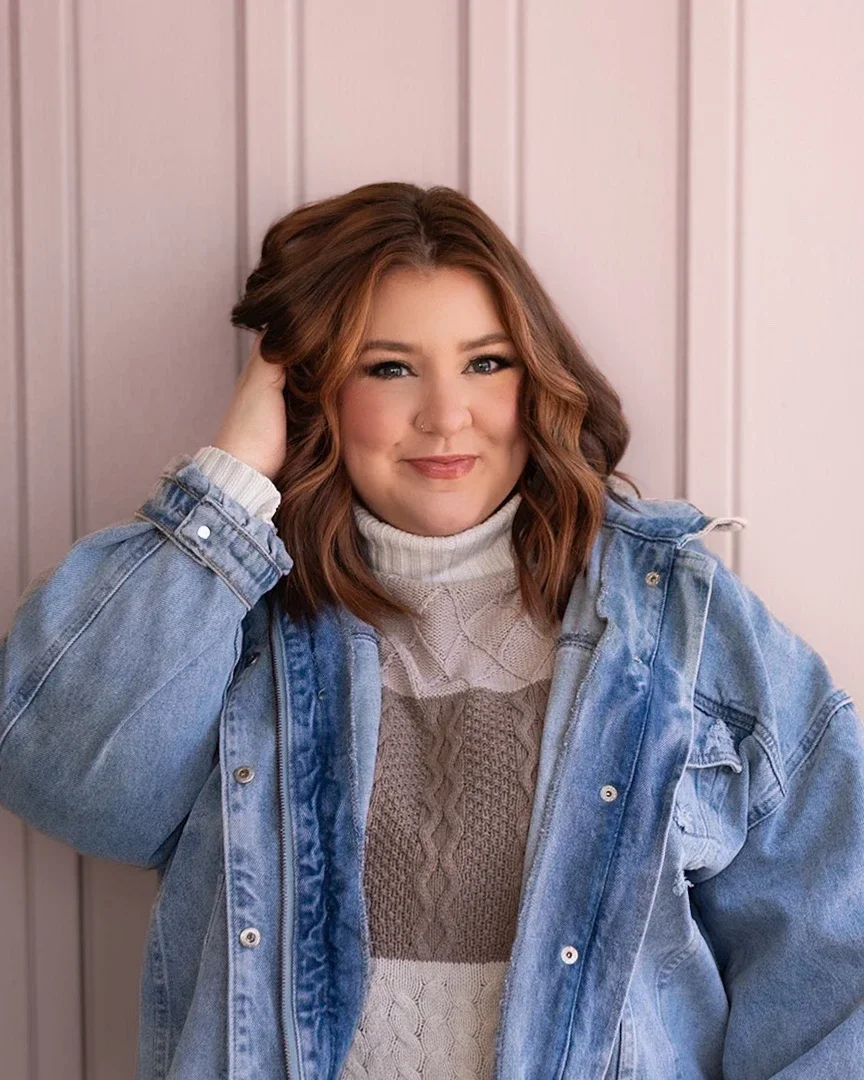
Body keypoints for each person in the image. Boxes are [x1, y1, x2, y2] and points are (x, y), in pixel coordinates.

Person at [0, 181, 862, 1080]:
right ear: (314, 389)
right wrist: (231, 483)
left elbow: (840, 962)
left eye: (486, 363)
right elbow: (66, 783)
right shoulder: (229, 617)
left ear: (537, 376)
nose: (447, 415)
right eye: (389, 368)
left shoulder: (677, 621)